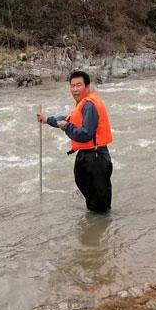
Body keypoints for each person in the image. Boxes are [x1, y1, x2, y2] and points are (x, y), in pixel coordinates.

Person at [37, 71, 113, 213]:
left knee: (100, 208)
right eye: (72, 86)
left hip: (95, 158)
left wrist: (67, 127)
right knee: (93, 203)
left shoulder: (89, 105)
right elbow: (68, 119)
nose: (75, 89)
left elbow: (85, 134)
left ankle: (102, 232)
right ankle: (98, 232)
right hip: (88, 156)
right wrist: (47, 120)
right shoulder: (83, 104)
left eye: (79, 85)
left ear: (87, 87)